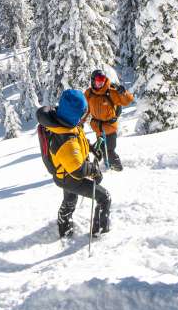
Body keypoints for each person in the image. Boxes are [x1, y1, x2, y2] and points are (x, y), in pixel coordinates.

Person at [36, 89, 111, 238]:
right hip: (70, 176)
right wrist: (94, 170)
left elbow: (79, 138)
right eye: (83, 112)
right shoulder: (66, 139)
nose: (84, 116)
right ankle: (101, 233)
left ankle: (64, 225)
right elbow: (78, 170)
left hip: (64, 172)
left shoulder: (63, 121)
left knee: (70, 198)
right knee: (104, 198)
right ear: (75, 114)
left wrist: (90, 148)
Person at [84, 69, 134, 171]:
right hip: (98, 127)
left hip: (110, 127)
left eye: (102, 79)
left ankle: (117, 168)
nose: (101, 82)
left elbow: (127, 101)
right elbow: (85, 110)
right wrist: (80, 122)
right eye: (98, 80)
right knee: (102, 150)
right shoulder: (89, 94)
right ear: (93, 81)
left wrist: (123, 93)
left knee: (110, 150)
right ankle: (107, 165)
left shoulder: (110, 91)